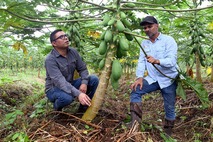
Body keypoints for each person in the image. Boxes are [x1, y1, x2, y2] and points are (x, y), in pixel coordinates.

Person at [129, 16, 178, 136]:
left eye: (149, 26)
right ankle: (135, 126)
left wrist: (157, 61)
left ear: (157, 26)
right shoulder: (144, 43)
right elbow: (141, 61)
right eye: (144, 28)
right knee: (135, 91)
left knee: (169, 107)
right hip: (153, 79)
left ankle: (168, 133)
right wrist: (139, 77)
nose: (147, 29)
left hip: (168, 79)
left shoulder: (168, 40)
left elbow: (172, 61)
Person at [45, 29, 99, 113]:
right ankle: (57, 109)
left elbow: (83, 69)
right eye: (61, 37)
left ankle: (82, 109)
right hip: (54, 89)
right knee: (67, 98)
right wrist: (78, 93)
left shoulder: (73, 52)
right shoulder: (50, 59)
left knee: (93, 79)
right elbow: (60, 81)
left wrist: (84, 82)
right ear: (54, 43)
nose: (65, 38)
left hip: (69, 84)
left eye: (65, 35)